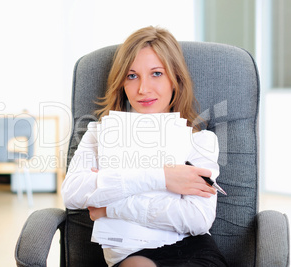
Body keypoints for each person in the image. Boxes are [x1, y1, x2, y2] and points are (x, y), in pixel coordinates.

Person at [61, 26, 228, 267]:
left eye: (157, 73)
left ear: (175, 78)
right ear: (122, 84)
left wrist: (111, 205)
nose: (143, 89)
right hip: (132, 254)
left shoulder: (199, 141)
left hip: (193, 251)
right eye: (132, 76)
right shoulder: (100, 134)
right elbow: (72, 193)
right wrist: (161, 177)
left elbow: (198, 219)